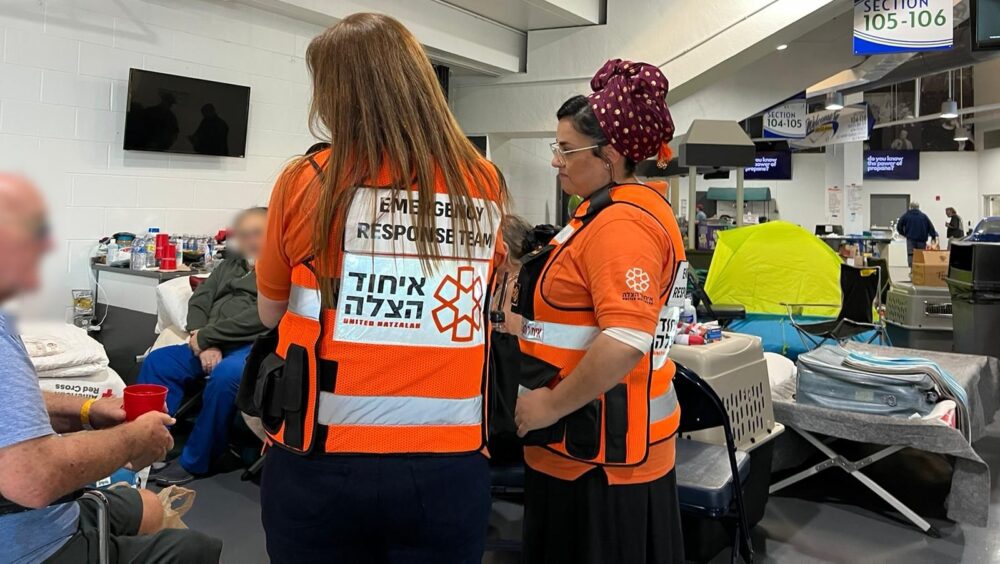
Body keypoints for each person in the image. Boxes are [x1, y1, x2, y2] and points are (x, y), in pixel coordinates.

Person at [252, 13, 507, 563]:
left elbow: (271, 312)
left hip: (321, 458)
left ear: (336, 95)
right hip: (450, 463)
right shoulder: (481, 182)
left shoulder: (307, 181)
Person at [513, 60, 687, 563]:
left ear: (609, 155)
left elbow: (626, 339)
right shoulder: (600, 213)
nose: (556, 161)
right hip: (590, 443)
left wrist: (550, 406)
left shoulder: (621, 225)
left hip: (600, 456)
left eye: (566, 149)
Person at [0, 174, 221, 563]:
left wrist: (87, 410)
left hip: (229, 342)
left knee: (148, 505)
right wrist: (132, 440)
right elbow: (31, 478)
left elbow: (11, 405)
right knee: (197, 549)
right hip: (29, 543)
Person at [139, 207, 269, 486]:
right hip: (209, 340)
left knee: (226, 377)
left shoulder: (279, 271)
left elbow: (260, 317)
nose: (250, 240)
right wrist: (201, 337)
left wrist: (209, 338)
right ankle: (147, 446)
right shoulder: (230, 265)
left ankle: (196, 460)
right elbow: (200, 301)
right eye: (245, 234)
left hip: (252, 346)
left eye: (257, 233)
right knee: (159, 362)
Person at [897, 201, 938, 267]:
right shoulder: (923, 216)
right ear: (918, 207)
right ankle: (920, 269)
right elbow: (931, 227)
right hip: (922, 240)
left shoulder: (906, 216)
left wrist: (904, 234)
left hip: (911, 239)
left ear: (910, 207)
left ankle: (912, 269)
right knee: (920, 255)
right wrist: (933, 236)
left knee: (911, 254)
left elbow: (899, 226)